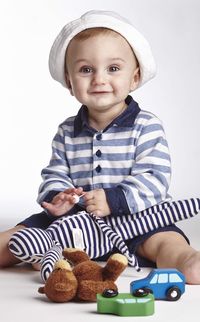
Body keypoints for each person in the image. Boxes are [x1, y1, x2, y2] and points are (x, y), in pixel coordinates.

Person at [1, 10, 200, 284]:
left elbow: (155, 179)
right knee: (18, 236)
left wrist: (114, 199)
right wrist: (59, 198)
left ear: (134, 78)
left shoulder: (146, 126)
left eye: (113, 69)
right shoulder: (67, 131)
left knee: (165, 242)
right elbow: (54, 172)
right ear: (70, 82)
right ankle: (46, 250)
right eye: (86, 70)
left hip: (136, 220)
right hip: (75, 224)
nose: (99, 79)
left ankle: (188, 260)